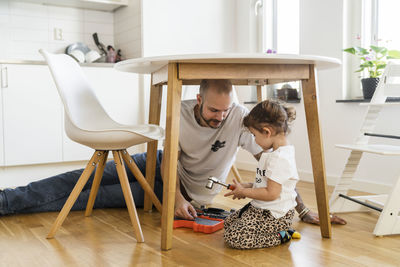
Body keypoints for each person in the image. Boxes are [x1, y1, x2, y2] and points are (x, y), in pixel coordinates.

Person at [0, 79, 345, 226]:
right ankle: (6, 200)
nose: (220, 118)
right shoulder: (178, 112)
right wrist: (175, 196)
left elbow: (275, 168)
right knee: (79, 179)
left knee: (85, 198)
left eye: (226, 111)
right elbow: (169, 159)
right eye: (213, 111)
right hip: (162, 171)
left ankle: (11, 205)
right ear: (199, 100)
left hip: (183, 193)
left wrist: (304, 210)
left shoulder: (240, 118)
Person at [224, 99, 298, 249]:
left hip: (274, 215)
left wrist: (245, 192)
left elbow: (271, 193)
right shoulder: (274, 153)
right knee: (228, 223)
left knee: (234, 237)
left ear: (266, 132)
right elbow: (267, 184)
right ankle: (276, 232)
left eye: (254, 135)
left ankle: (282, 235)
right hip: (262, 209)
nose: (254, 140)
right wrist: (247, 186)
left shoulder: (279, 159)